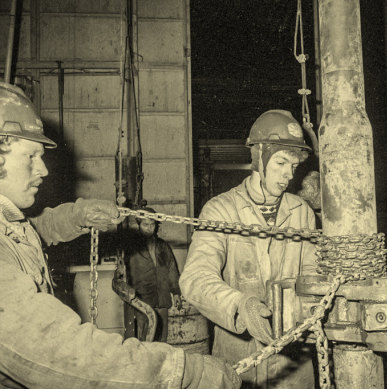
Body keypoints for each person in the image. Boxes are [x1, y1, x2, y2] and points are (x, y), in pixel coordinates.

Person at [0, 82, 240, 388]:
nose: (44, 170)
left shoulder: (10, 220)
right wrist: (180, 372)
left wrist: (79, 215)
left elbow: (34, 229)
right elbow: (59, 352)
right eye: (31, 156)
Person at [180, 110, 318, 388]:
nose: (288, 175)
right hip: (238, 360)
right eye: (280, 163)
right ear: (259, 157)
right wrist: (240, 305)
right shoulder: (221, 210)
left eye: (293, 166)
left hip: (294, 363)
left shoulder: (302, 212)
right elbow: (195, 278)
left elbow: (312, 274)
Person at [127, 207, 182, 342]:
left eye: (152, 224)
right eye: (146, 224)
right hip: (142, 301)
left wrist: (176, 292)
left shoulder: (163, 246)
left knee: (162, 339)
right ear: (138, 224)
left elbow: (172, 269)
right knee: (144, 338)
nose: (149, 228)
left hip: (162, 299)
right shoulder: (131, 247)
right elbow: (126, 273)